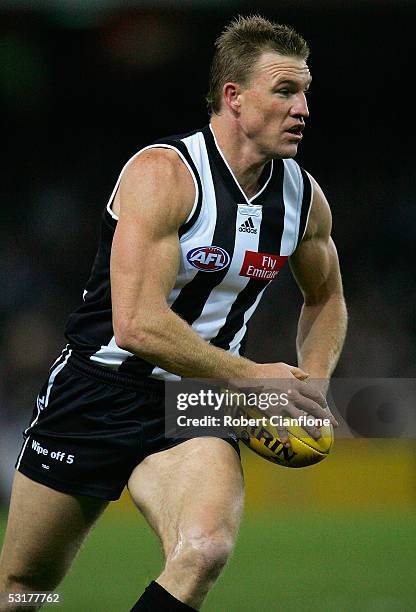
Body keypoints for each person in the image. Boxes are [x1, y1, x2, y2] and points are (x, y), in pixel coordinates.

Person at [0, 14, 347, 612]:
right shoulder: (163, 174)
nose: (304, 108)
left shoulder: (302, 197)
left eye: (306, 91)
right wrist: (249, 376)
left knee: (205, 549)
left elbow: (327, 297)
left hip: (195, 399)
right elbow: (136, 324)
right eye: (286, 91)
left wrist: (310, 382)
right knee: (29, 588)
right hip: (97, 389)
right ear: (234, 97)